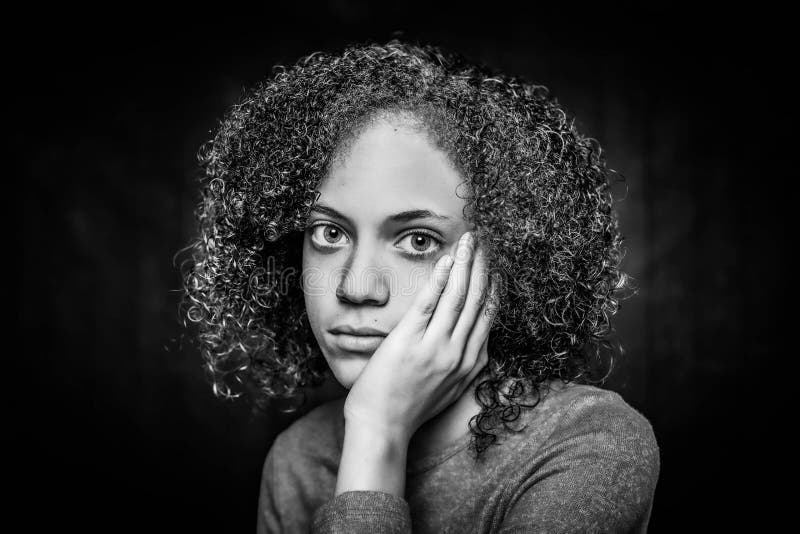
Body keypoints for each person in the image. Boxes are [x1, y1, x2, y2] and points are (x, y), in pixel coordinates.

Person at [181, 39, 660, 533]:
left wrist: (377, 433)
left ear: (509, 254)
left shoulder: (589, 442)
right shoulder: (298, 459)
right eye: (329, 232)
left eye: (416, 240)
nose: (356, 286)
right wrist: (372, 436)